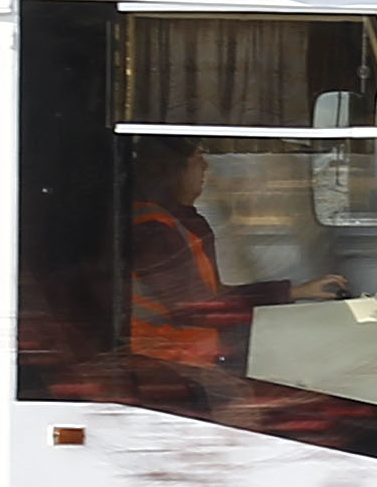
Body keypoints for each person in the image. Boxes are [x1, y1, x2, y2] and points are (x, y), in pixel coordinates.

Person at [123, 137, 342, 386]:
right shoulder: (154, 230)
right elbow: (198, 310)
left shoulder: (178, 222)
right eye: (197, 160)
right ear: (173, 170)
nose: (206, 166)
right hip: (169, 359)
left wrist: (295, 291)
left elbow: (210, 299)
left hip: (191, 347)